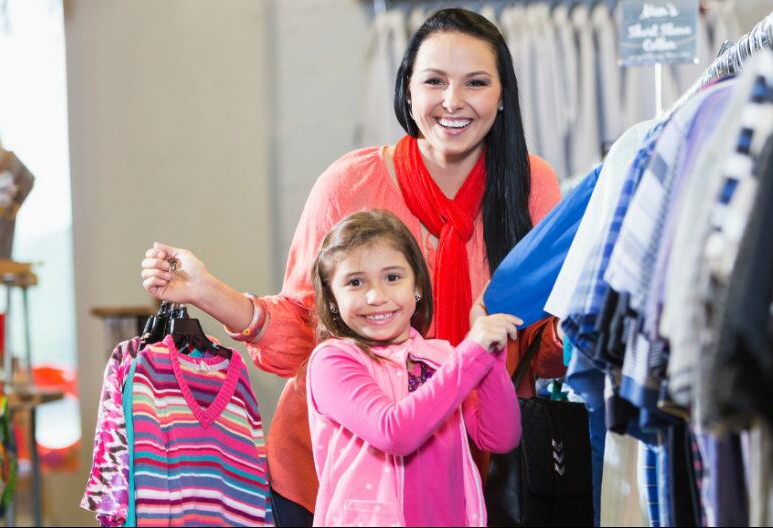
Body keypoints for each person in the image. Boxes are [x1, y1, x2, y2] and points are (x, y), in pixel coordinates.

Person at [141, 8, 565, 525]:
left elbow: (543, 344)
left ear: (503, 97)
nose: (453, 101)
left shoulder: (531, 185)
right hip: (334, 483)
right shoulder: (348, 183)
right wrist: (208, 292)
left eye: (476, 83)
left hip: (465, 479)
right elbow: (308, 326)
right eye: (434, 81)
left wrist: (579, 327)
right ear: (407, 90)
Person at [306, 210, 521, 527]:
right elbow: (394, 432)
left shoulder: (443, 357)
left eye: (392, 277)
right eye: (355, 282)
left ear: (417, 285)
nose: (377, 296)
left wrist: (490, 357)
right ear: (333, 299)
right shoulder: (333, 361)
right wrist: (472, 354)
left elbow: (500, 437)